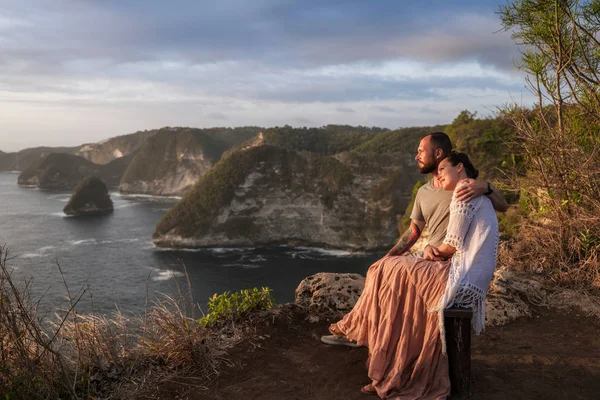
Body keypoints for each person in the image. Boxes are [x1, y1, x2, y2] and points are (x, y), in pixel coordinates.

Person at [322, 152, 499, 399]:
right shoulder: (478, 193)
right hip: (472, 279)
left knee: (386, 269)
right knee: (394, 272)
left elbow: (451, 245)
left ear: (460, 167)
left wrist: (429, 251)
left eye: (442, 169)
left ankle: (389, 361)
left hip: (458, 277)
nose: (438, 175)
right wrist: (428, 250)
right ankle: (378, 347)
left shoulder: (463, 191)